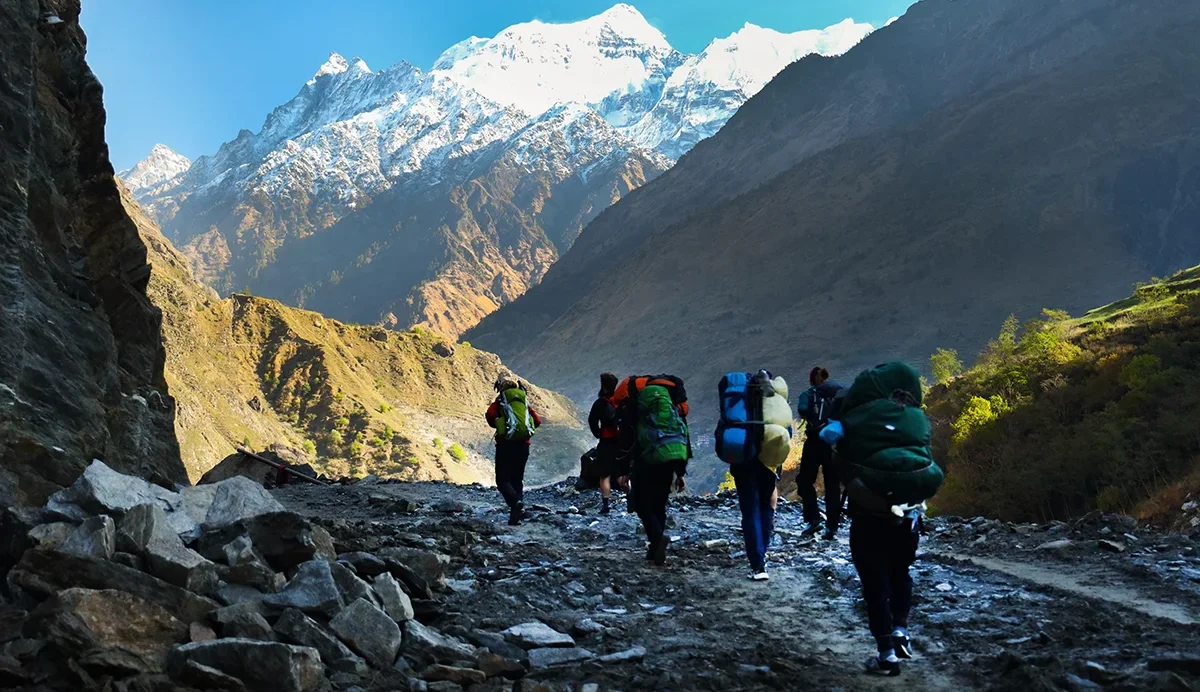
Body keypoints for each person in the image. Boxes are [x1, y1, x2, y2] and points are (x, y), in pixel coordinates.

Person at [820, 362, 943, 677]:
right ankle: (901, 629)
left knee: (874, 583)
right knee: (901, 573)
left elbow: (837, 461)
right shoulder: (916, 418)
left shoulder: (853, 419)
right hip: (910, 515)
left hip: (869, 515)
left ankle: (886, 654)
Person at [614, 375, 690, 565]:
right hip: (671, 459)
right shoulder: (672, 406)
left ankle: (657, 540)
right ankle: (655, 549)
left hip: (646, 460)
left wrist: (623, 470)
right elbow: (683, 435)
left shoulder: (637, 405)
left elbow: (626, 438)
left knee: (642, 504)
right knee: (659, 503)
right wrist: (680, 473)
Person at [796, 366, 846, 540]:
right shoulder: (839, 394)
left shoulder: (809, 394)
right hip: (834, 444)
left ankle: (813, 518)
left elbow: (802, 410)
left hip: (814, 442)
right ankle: (832, 526)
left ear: (812, 379)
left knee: (804, 480)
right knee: (832, 484)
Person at [485, 375, 541, 525]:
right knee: (517, 479)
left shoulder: (500, 402)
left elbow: (490, 416)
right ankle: (518, 510)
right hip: (524, 445)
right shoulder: (524, 403)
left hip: (505, 445)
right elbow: (537, 421)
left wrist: (500, 423)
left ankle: (516, 503)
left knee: (502, 479)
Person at [588, 373, 622, 514]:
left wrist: (598, 434)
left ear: (603, 385)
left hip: (606, 441)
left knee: (605, 474)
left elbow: (592, 421)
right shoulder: (620, 401)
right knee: (622, 473)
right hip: (621, 441)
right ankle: (631, 498)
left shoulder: (600, 403)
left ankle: (606, 504)